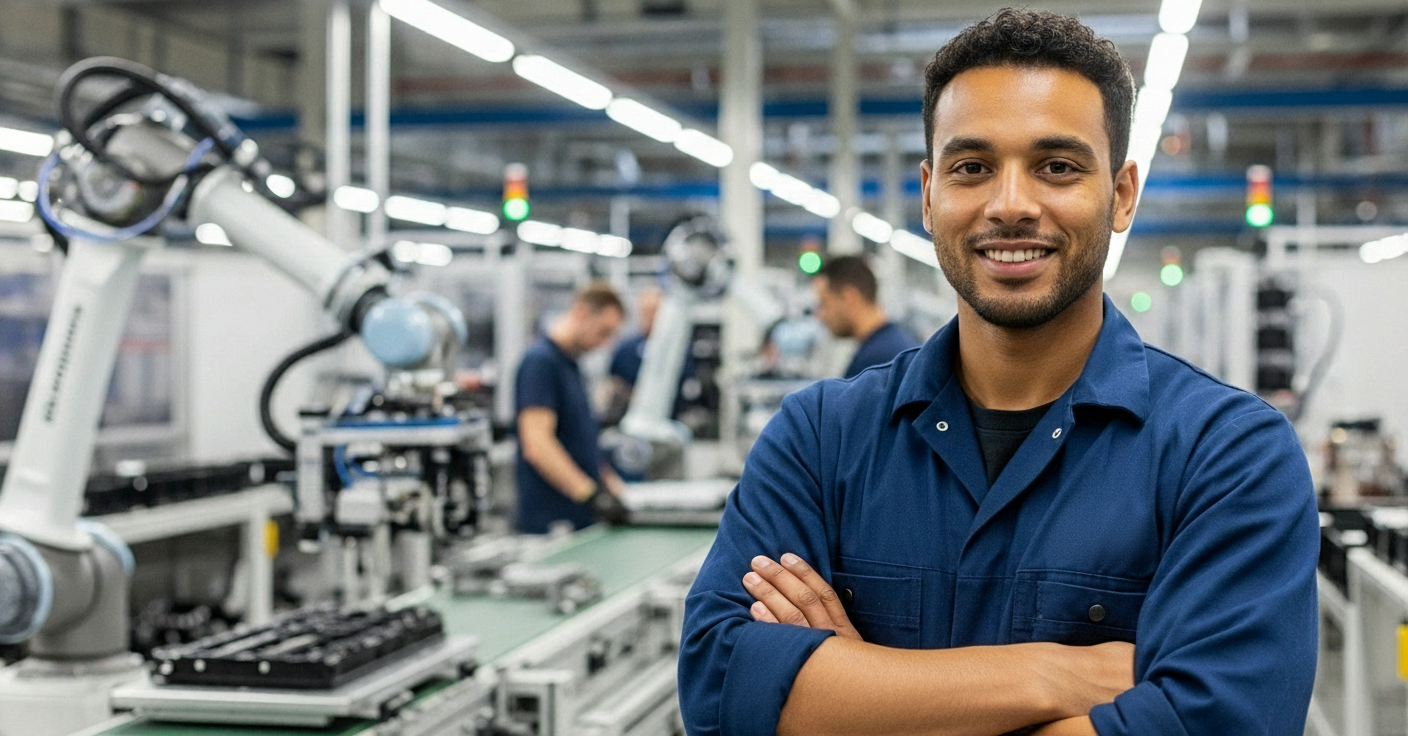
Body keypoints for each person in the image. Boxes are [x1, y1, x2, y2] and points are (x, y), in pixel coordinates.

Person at [679, 9, 1317, 736]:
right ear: (928, 194)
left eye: (1057, 166)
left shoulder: (1228, 455)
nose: (1010, 204)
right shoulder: (820, 439)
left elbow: (1225, 722)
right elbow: (719, 684)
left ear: (1121, 194)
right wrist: (1058, 677)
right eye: (972, 167)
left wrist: (862, 699)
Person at [515, 281, 631, 534]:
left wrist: (612, 486)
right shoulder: (541, 362)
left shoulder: (572, 366)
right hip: (551, 523)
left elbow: (581, 438)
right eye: (603, 332)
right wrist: (589, 494)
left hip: (579, 521)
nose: (604, 343)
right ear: (581, 313)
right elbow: (537, 444)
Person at [811, 255, 919, 378]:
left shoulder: (878, 362)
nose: (818, 315)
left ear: (850, 298)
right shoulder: (894, 347)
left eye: (823, 303)